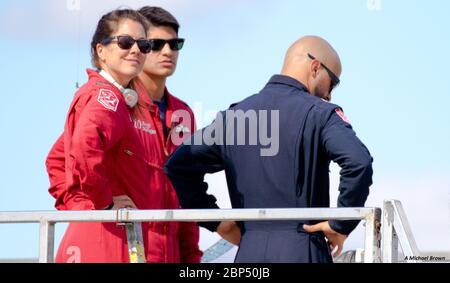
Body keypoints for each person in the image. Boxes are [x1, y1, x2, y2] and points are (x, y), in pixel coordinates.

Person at [164, 35, 373, 263]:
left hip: (248, 253)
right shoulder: (320, 114)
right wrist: (341, 224)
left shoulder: (235, 117)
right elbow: (358, 162)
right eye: (332, 82)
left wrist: (217, 222)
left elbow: (178, 166)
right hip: (303, 250)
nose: (330, 94)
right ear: (315, 67)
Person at [46, 7, 202, 262]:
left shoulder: (182, 113)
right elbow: (65, 157)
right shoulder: (107, 97)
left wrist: (190, 257)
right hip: (115, 246)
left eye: (142, 44)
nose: (166, 51)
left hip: (157, 249)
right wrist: (95, 210)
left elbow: (184, 189)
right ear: (101, 50)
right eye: (127, 42)